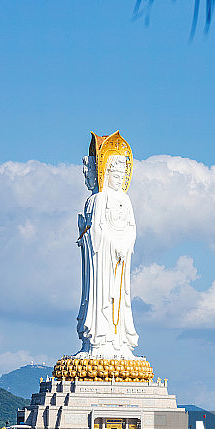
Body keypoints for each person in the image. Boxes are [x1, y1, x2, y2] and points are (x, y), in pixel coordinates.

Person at [75, 132, 139, 359]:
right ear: (106, 172)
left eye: (123, 174)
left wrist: (124, 246)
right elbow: (96, 232)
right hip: (102, 259)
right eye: (115, 174)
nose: (120, 178)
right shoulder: (98, 199)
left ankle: (120, 344)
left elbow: (132, 229)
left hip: (120, 259)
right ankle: (98, 343)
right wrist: (110, 244)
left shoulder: (125, 200)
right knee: (101, 296)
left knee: (120, 299)